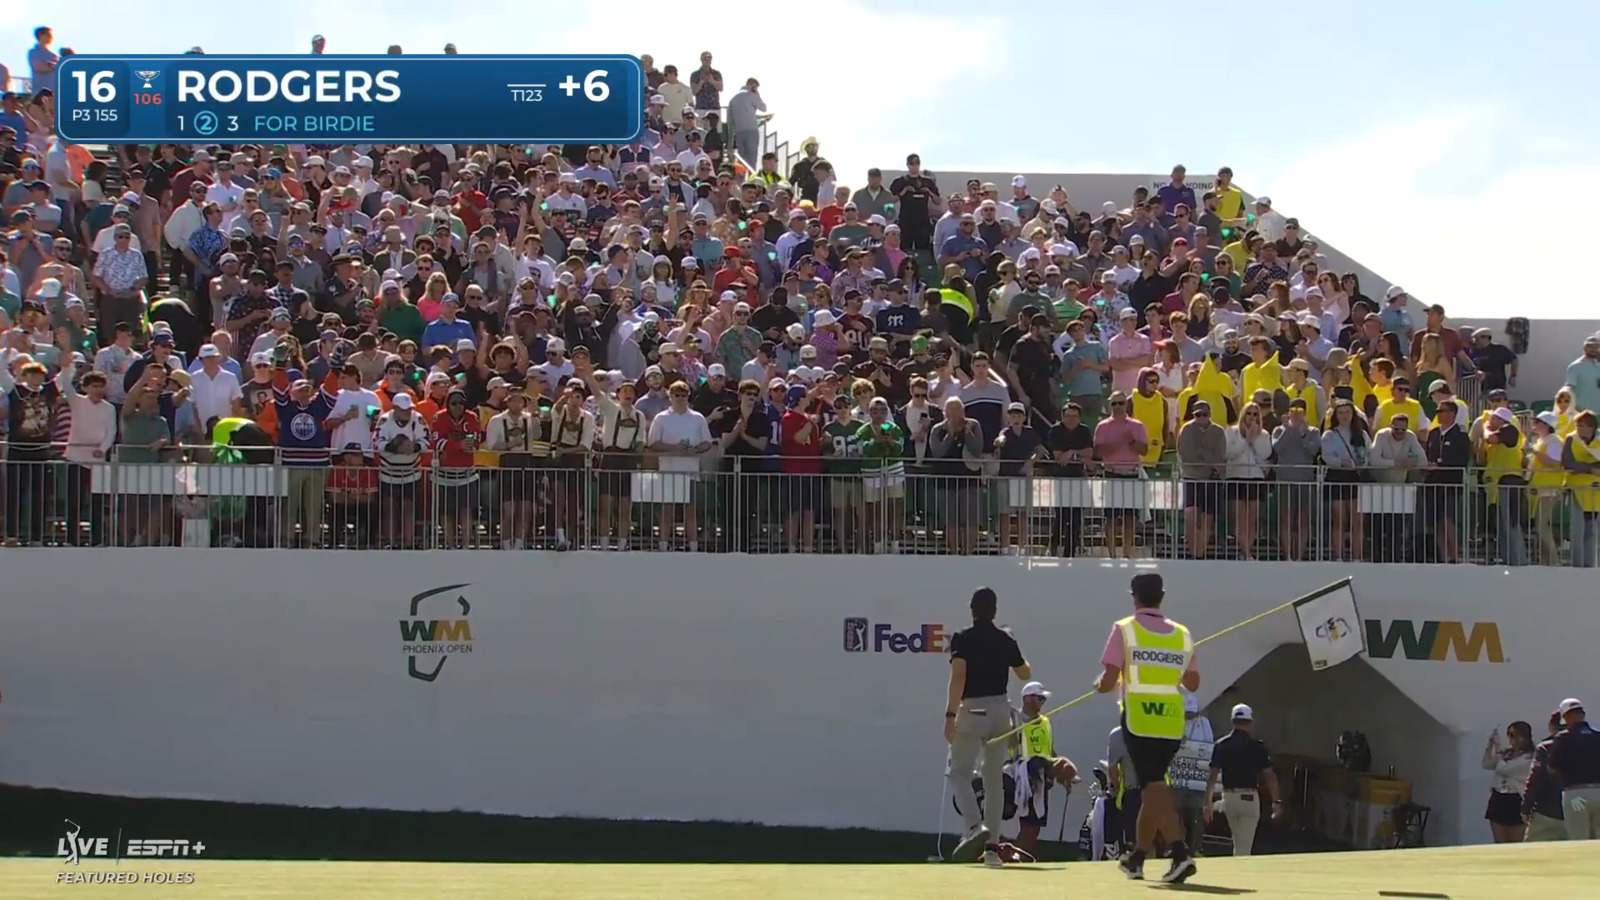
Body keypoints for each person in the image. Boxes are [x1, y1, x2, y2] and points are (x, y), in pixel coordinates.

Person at [1095, 573, 1200, 884]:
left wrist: (1099, 686)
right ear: (1162, 596)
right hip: (1170, 721)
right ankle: (1138, 857)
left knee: (1153, 786)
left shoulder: (1124, 629)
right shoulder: (1182, 634)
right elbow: (1192, 683)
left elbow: (1109, 678)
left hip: (1139, 719)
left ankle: (1180, 853)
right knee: (1150, 787)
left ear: (1134, 597)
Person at [945, 587, 1032, 868]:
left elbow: (959, 677)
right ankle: (992, 850)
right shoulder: (1005, 639)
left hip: (973, 709)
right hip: (1000, 710)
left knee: (959, 772)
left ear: (972, 610)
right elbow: (1025, 673)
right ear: (994, 611)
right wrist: (1013, 644)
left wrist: (949, 715)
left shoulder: (963, 638)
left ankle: (974, 827)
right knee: (993, 780)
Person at [1203, 704, 1283, 856]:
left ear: (1233, 721)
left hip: (1228, 798)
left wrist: (1207, 802)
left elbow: (1212, 775)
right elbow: (1269, 775)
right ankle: (1239, 875)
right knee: (1244, 845)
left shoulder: (1221, 745)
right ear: (1250, 722)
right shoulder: (1257, 747)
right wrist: (1276, 801)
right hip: (1249, 797)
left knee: (1238, 841)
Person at [1010, 681, 1077, 857]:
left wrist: (1060, 775)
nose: (1042, 701)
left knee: (1035, 823)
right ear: (1027, 698)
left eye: (1043, 699)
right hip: (1024, 776)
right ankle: (1018, 855)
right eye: (1039, 698)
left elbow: (1050, 750)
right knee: (1028, 822)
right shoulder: (1016, 720)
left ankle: (1021, 856)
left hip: (1042, 776)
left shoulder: (1046, 721)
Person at [1548, 697, 1600, 839]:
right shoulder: (1598, 735)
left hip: (1575, 793)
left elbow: (1552, 767)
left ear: (1565, 716)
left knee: (1579, 838)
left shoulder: (1563, 738)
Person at [1483, 720, 1536, 843]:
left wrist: (1498, 749)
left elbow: (1504, 769)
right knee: (1500, 842)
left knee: (1517, 842)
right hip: (1499, 798)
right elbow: (1486, 764)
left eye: (1515, 735)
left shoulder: (1529, 757)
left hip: (1516, 799)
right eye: (1510, 735)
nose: (1512, 740)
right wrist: (1490, 746)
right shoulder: (1507, 754)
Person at [1522, 712, 1568, 842]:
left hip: (1548, 811)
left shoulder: (1545, 747)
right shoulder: (1590, 744)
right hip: (1579, 810)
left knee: (1533, 854)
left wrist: (1526, 807)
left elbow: (1535, 779)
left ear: (1551, 726)